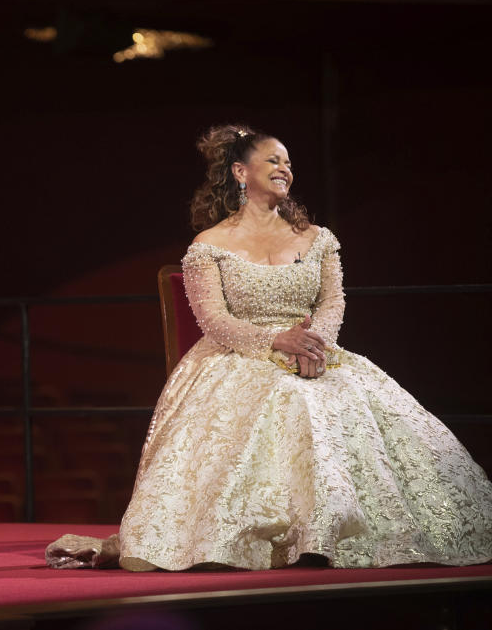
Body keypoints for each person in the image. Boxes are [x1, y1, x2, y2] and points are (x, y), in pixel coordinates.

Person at [47, 125, 492, 571]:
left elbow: (332, 300)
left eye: (289, 163)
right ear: (241, 172)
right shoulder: (210, 245)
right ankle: (269, 536)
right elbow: (214, 320)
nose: (286, 169)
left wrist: (314, 347)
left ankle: (340, 532)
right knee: (288, 397)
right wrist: (274, 341)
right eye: (274, 160)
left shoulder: (319, 239)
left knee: (347, 402)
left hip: (313, 351)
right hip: (239, 355)